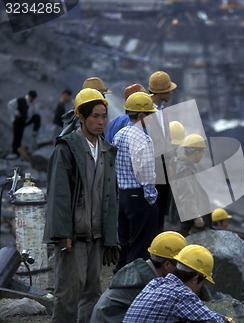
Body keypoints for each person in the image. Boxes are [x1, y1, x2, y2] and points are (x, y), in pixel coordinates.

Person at [43, 88, 120, 323]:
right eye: (95, 116)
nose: (100, 122)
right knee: (68, 292)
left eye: (103, 116)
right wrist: (62, 233)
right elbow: (58, 194)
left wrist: (110, 236)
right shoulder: (66, 149)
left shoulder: (106, 151)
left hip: (96, 234)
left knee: (93, 292)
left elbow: (110, 195)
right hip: (73, 235)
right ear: (82, 118)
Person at [90, 231, 187, 323]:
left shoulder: (141, 270)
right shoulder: (150, 285)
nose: (182, 271)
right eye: (180, 266)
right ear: (167, 265)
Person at [123, 245, 234, 323]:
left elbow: (203, 315)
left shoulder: (155, 283)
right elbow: (212, 321)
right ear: (195, 279)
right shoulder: (183, 294)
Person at [113, 92, 159, 272]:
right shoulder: (143, 138)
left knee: (124, 243)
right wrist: (151, 199)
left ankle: (118, 278)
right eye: (150, 114)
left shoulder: (119, 134)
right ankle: (132, 284)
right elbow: (146, 174)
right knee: (140, 246)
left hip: (122, 196)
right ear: (141, 116)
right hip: (138, 197)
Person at [148, 70, 177, 233]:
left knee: (160, 214)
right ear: (161, 92)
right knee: (152, 214)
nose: (171, 92)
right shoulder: (144, 112)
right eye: (169, 89)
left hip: (164, 171)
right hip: (152, 173)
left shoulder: (162, 112)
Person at [174, 134, 212, 236]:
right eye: (202, 152)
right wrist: (197, 217)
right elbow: (187, 196)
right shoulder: (185, 171)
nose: (202, 155)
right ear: (196, 152)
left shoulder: (187, 167)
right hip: (188, 223)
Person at [6, 90, 40, 159]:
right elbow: (10, 105)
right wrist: (16, 113)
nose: (33, 100)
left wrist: (33, 104)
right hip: (18, 121)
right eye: (32, 98)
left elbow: (35, 112)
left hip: (25, 121)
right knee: (17, 136)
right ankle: (14, 152)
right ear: (30, 96)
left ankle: (17, 151)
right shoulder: (20, 100)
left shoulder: (31, 103)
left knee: (36, 117)